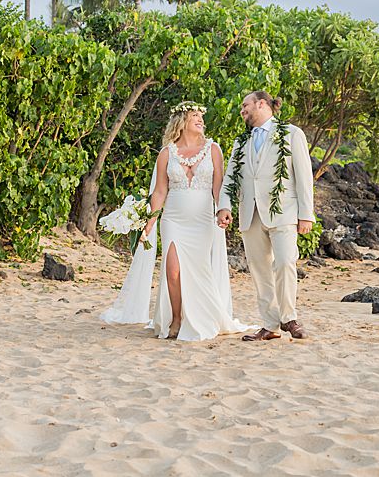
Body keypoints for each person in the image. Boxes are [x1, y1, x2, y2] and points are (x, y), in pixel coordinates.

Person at [99, 101, 249, 341]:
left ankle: (201, 317)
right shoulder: (167, 153)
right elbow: (159, 191)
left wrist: (223, 209)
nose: (200, 119)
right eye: (195, 116)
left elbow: (219, 186)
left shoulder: (213, 149)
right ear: (181, 121)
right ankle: (177, 318)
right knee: (173, 271)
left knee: (200, 270)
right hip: (173, 220)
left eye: (201, 115)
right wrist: (150, 219)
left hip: (202, 221)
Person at [217, 90, 316, 342]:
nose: (242, 110)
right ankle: (270, 325)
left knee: (285, 262)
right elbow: (231, 178)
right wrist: (224, 206)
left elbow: (304, 177)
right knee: (260, 270)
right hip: (250, 214)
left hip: (283, 211)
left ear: (261, 104)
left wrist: (306, 214)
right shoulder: (242, 142)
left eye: (245, 104)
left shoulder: (292, 134)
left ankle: (290, 318)